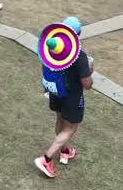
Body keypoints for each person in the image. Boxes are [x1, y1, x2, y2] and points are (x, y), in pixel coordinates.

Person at [34, 16, 91, 179]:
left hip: (55, 92)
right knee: (71, 127)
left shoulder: (50, 47)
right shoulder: (79, 56)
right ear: (78, 34)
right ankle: (46, 159)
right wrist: (90, 69)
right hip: (71, 96)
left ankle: (65, 150)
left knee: (60, 119)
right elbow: (87, 84)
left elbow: (44, 65)